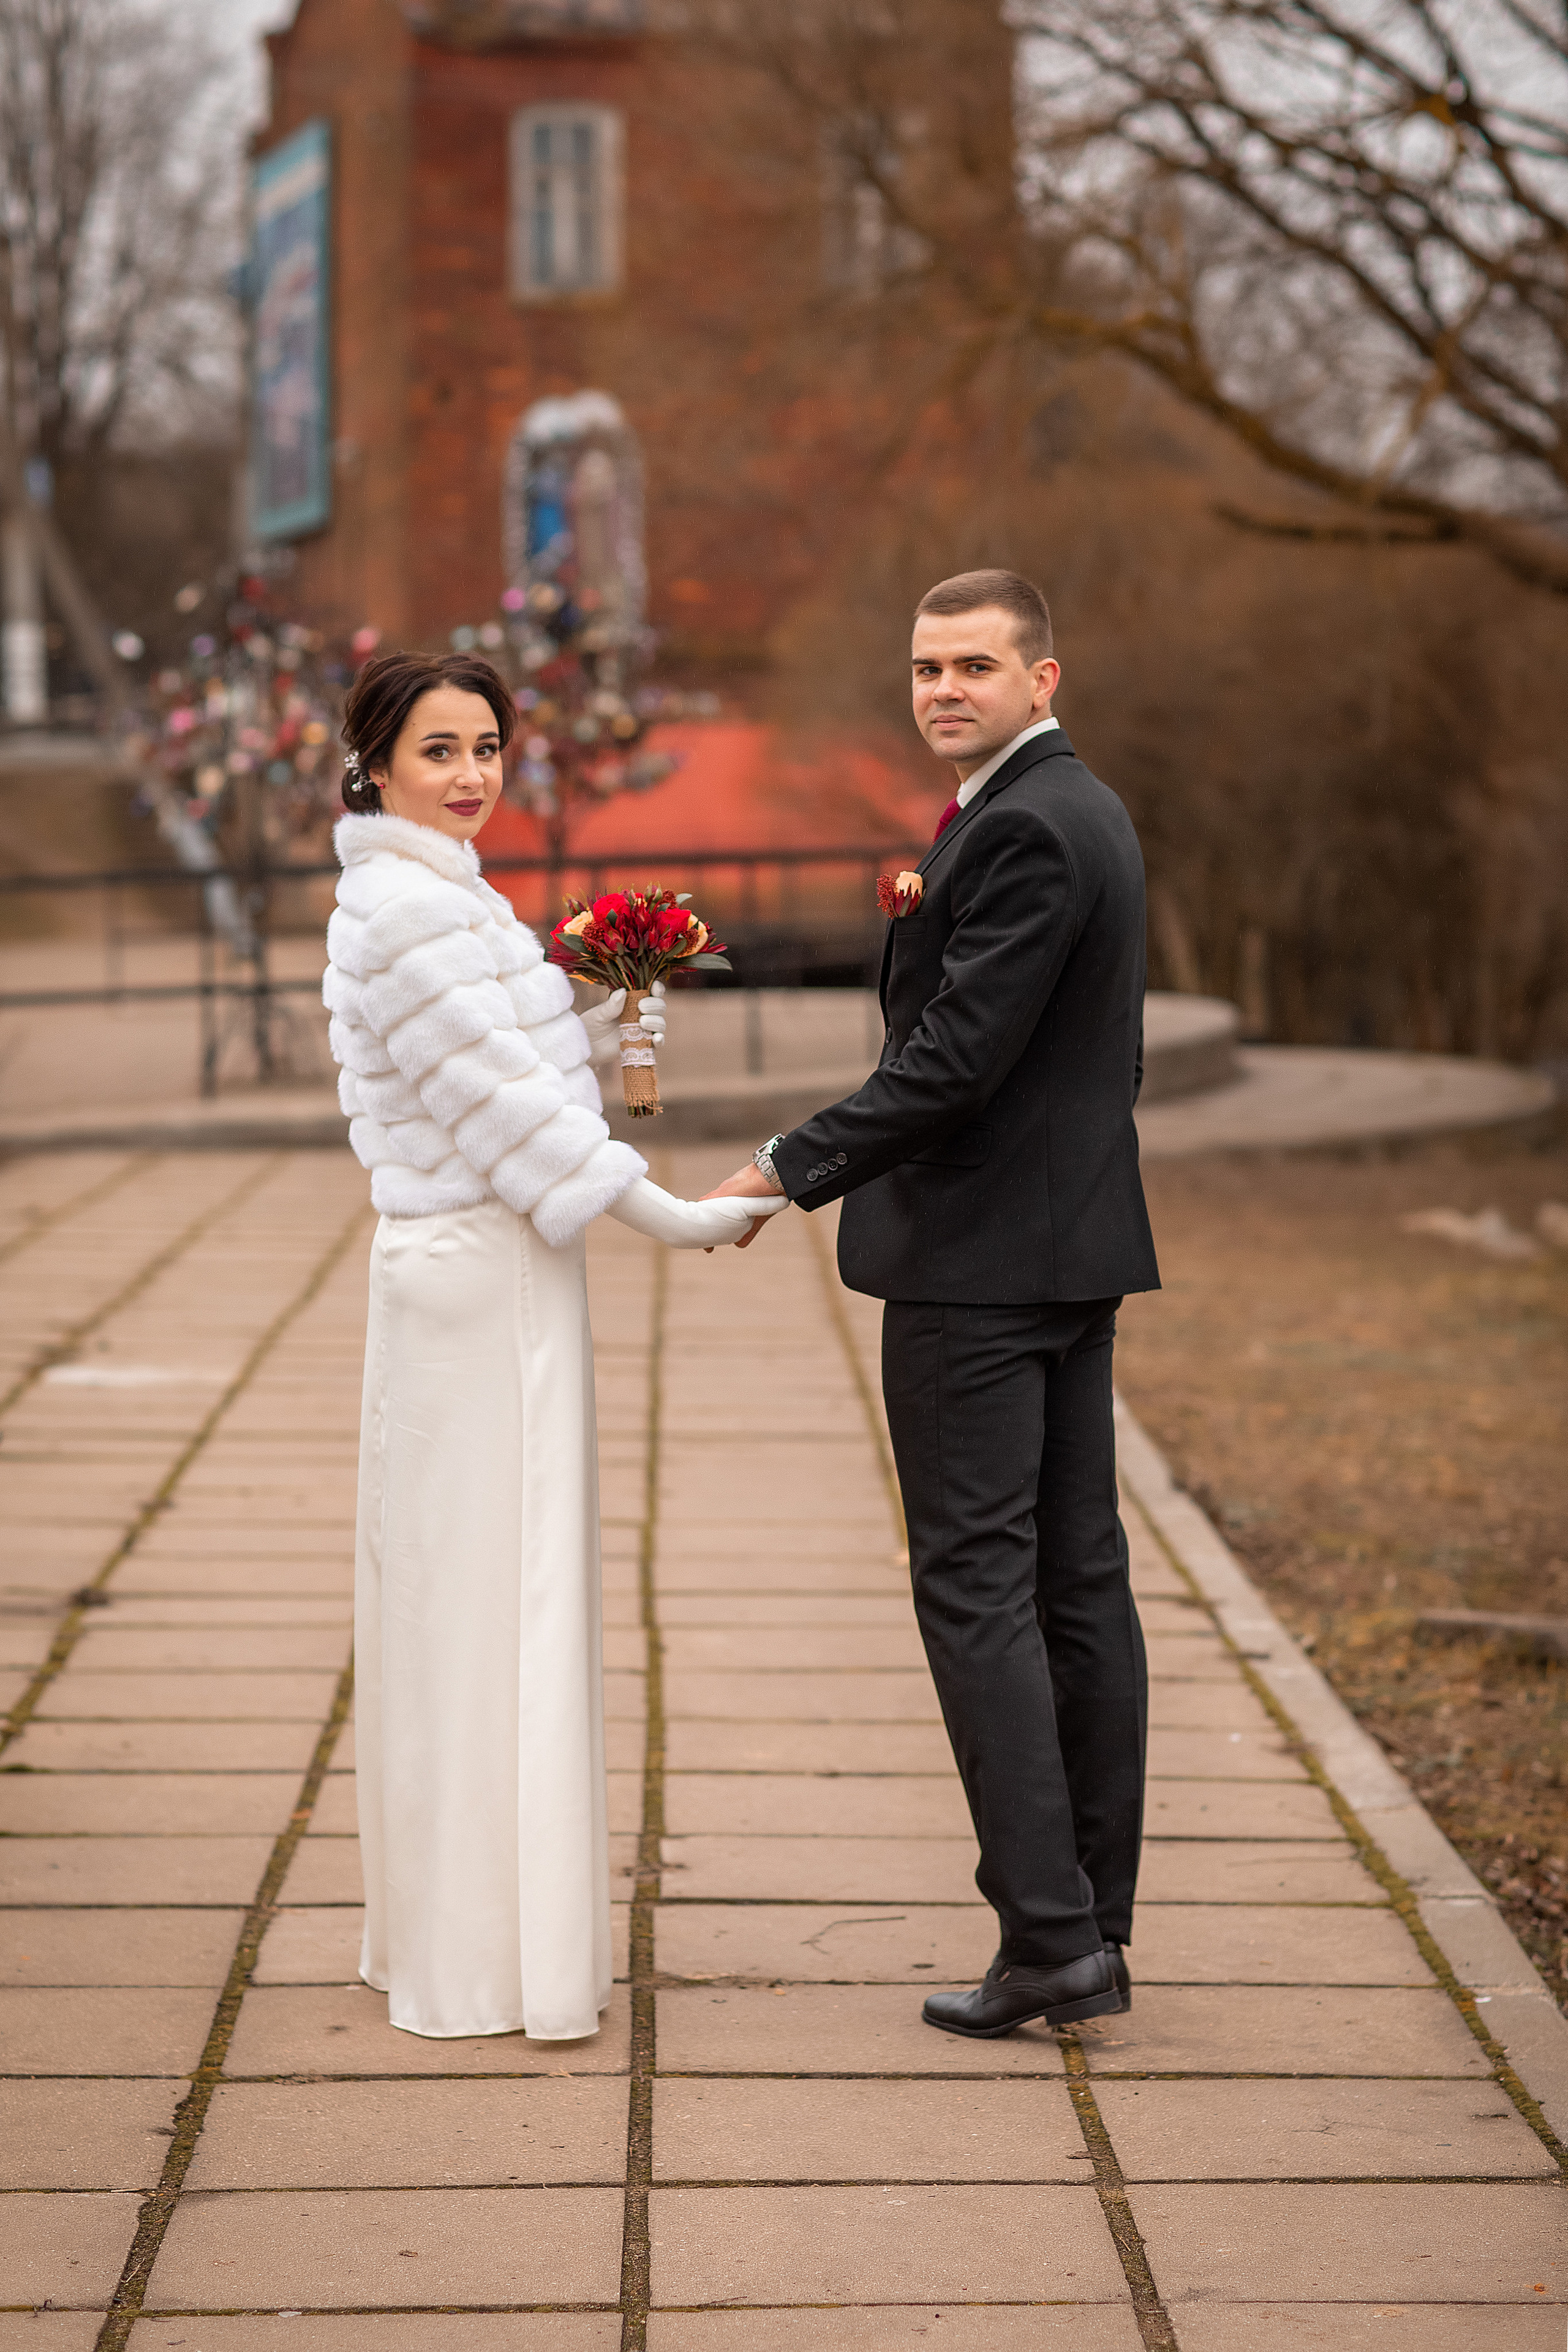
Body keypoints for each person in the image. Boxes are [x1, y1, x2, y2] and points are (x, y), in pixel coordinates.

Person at [705, 570, 1159, 2036]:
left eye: (973, 663)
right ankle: (1087, 1925)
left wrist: (787, 1167)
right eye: (923, 666)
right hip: (1064, 1249)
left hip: (978, 1269)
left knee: (981, 1588)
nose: (942, 687)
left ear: (1045, 677)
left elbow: (955, 1058)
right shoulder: (1071, 808)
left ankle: (1047, 1940)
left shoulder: (1024, 824)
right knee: (1074, 1582)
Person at [324, 649, 783, 2043]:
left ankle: (481, 1942)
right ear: (376, 766)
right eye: (439, 751)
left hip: (504, 1264)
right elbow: (499, 1117)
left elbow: (514, 1069)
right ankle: (476, 1964)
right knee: (483, 1609)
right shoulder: (400, 909)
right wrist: (679, 1222)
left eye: (485, 748)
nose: (470, 775)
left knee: (497, 1599)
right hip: (471, 1274)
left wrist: (617, 1005)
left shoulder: (449, 895)